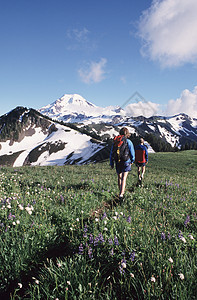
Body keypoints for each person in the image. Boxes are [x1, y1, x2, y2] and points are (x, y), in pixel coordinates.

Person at [110, 127, 135, 200]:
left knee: (119, 177)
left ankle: (120, 191)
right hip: (126, 161)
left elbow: (111, 153)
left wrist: (111, 163)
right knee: (124, 178)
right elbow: (132, 152)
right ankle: (121, 194)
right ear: (127, 134)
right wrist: (132, 160)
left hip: (118, 161)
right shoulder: (128, 142)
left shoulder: (116, 142)